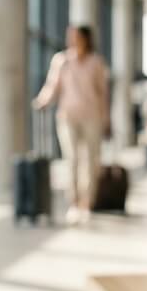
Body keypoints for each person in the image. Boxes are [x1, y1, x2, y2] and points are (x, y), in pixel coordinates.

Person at [32, 25, 108, 224]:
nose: (72, 40)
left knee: (90, 161)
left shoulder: (96, 62)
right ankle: (74, 203)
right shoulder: (61, 60)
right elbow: (52, 86)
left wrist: (106, 119)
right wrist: (42, 101)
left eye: (76, 36)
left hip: (92, 117)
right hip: (67, 117)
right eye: (70, 36)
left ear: (86, 39)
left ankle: (87, 203)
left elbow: (102, 93)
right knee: (72, 159)